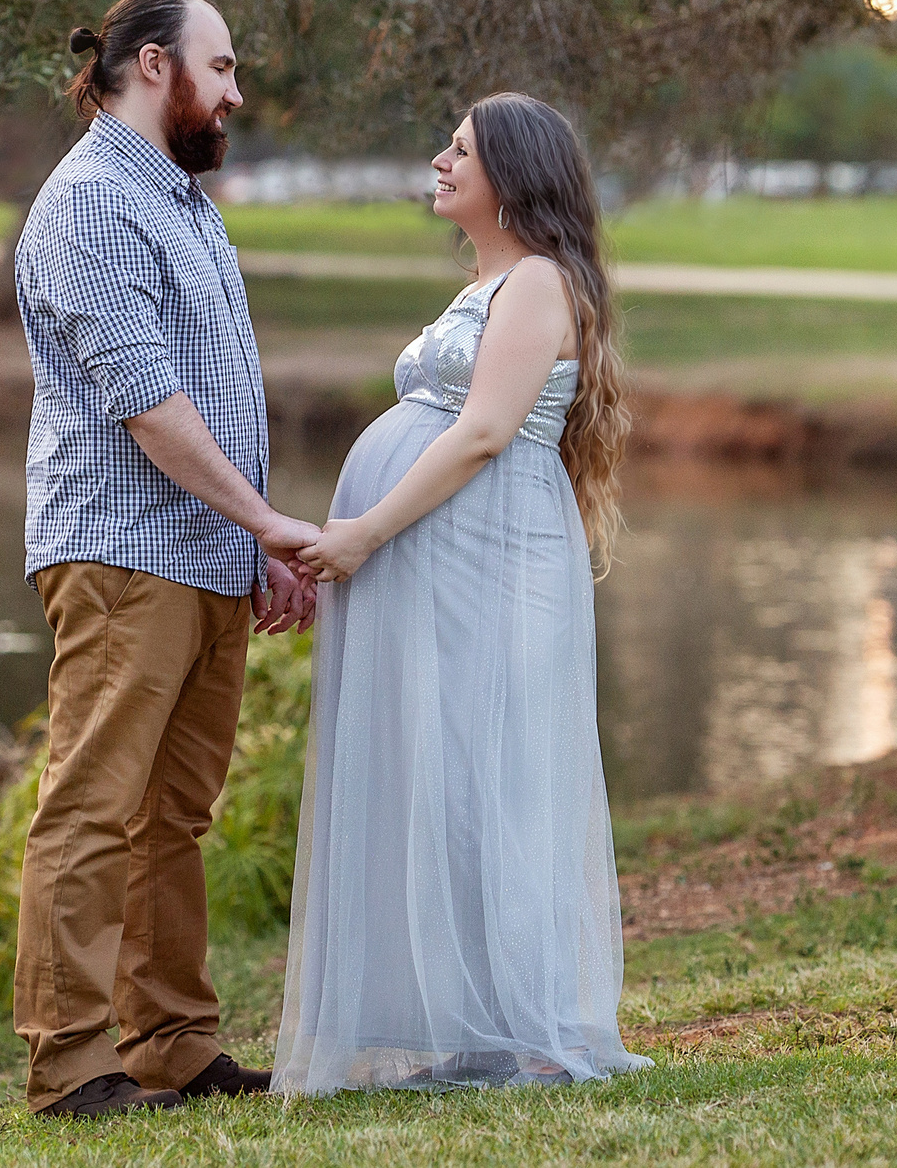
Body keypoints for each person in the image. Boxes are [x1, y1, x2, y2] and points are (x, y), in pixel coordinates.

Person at [278, 92, 652, 1096]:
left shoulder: (534, 282)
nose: (440, 162)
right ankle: (469, 1015)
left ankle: (529, 1027)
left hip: (494, 559)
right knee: (446, 778)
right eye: (443, 144)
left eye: (460, 150)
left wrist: (364, 530)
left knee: (493, 779)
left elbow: (484, 432)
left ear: (513, 174)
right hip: (451, 562)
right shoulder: (493, 283)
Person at [12, 0, 323, 1120]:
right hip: (120, 554)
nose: (236, 92)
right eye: (224, 66)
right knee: (93, 807)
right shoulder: (94, 202)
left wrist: (255, 550)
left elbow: (210, 398)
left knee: (174, 816)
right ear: (153, 66)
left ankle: (173, 1044)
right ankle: (68, 1064)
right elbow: (146, 403)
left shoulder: (180, 202)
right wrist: (269, 523)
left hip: (202, 556)